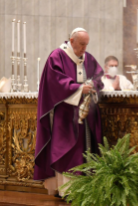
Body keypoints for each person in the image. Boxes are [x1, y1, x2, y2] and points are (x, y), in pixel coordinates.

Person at [34, 27, 104, 196]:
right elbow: (55, 82)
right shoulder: (57, 56)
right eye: (81, 44)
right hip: (64, 116)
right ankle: (69, 191)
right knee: (67, 152)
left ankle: (86, 190)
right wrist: (79, 89)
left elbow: (99, 76)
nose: (84, 49)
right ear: (71, 41)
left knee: (86, 150)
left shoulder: (88, 58)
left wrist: (93, 85)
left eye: (86, 44)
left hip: (85, 116)